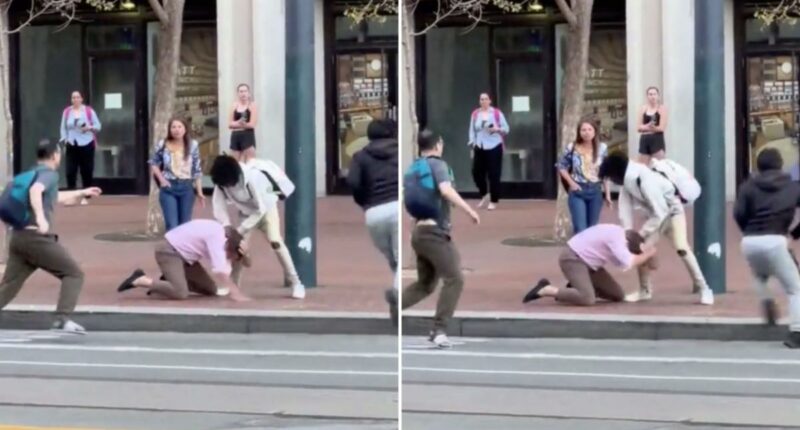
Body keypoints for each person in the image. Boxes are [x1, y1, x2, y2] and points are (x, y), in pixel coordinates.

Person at [0, 139, 102, 334]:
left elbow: (52, 197)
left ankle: (62, 319)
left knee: (9, 286)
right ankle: (62, 318)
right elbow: (36, 191)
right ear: (55, 155)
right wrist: (40, 219)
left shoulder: (30, 173)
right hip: (36, 239)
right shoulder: (49, 175)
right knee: (74, 273)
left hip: (19, 238)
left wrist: (81, 192)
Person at [598, 152, 714, 305]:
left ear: (616, 173)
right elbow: (624, 209)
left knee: (682, 248)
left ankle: (704, 288)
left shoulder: (645, 179)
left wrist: (641, 234)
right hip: (654, 217)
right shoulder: (628, 181)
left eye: (611, 178)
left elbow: (661, 213)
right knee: (639, 248)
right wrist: (628, 234)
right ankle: (644, 290)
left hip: (672, 213)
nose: (612, 181)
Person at [403, 130, 480, 348]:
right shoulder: (438, 165)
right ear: (438, 144)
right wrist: (470, 211)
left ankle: (393, 305)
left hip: (419, 232)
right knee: (455, 278)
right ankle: (439, 330)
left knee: (425, 284)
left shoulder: (413, 167)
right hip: (435, 233)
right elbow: (446, 190)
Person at [210, 155, 306, 300]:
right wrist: (227, 226)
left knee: (276, 242)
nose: (228, 187)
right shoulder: (221, 182)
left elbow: (260, 209)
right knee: (238, 247)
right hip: (246, 213)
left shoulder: (254, 177)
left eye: (229, 183)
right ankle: (233, 284)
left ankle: (296, 282)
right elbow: (218, 206)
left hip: (266, 211)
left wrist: (240, 230)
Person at [733, 148, 800, 348]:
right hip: (776, 239)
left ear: (759, 166)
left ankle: (766, 299)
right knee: (795, 288)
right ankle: (797, 332)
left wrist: (749, 231)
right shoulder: (792, 187)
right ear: (780, 165)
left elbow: (739, 213)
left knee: (760, 275)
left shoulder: (748, 186)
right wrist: (795, 233)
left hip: (750, 241)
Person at [117, 219, 250, 302]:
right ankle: (140, 279)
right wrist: (236, 293)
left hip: (187, 259)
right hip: (169, 252)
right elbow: (221, 271)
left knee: (210, 290)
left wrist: (247, 254)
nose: (230, 260)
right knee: (180, 293)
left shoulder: (225, 240)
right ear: (230, 248)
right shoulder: (217, 238)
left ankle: (167, 281)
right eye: (232, 257)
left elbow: (244, 264)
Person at [523, 225, 656, 306]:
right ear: (627, 244)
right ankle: (546, 289)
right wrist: (648, 254)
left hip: (591, 265)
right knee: (587, 299)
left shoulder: (620, 237)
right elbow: (629, 262)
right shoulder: (617, 239)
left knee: (618, 295)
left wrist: (646, 256)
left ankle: (576, 287)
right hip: (573, 258)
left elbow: (623, 265)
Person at [347, 118, 399, 325]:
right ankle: (396, 292)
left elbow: (353, 182)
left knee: (391, 257)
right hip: (397, 206)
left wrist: (365, 202)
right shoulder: (400, 151)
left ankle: (397, 293)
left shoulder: (360, 156)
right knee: (399, 257)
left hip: (374, 213)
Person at [556, 119, 611, 234]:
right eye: (583, 130)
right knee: (580, 228)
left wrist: (608, 194)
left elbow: (605, 173)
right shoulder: (572, 147)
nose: (586, 132)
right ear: (579, 132)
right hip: (578, 191)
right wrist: (571, 183)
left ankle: (588, 252)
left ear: (595, 131)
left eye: (589, 129)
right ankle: (578, 251)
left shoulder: (602, 148)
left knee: (592, 228)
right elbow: (561, 166)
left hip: (595, 190)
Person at [150, 117, 205, 232]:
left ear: (185, 129)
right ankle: (172, 249)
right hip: (169, 188)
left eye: (180, 127)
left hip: (186, 188)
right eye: (173, 127)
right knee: (172, 226)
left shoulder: (193, 145)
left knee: (185, 225)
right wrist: (161, 180)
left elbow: (197, 170)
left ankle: (182, 249)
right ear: (169, 129)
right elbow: (154, 163)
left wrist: (200, 192)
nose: (176, 130)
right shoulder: (163, 144)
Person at [468, 92, 509, 211]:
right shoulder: (475, 114)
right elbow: (472, 129)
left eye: (486, 99)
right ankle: (485, 193)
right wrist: (472, 141)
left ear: (490, 101)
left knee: (494, 174)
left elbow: (506, 129)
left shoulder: (496, 113)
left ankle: (494, 200)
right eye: (481, 99)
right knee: (476, 172)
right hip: (480, 146)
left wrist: (497, 129)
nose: (483, 101)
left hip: (494, 146)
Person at [60, 90, 102, 206]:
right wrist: (64, 139)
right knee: (70, 171)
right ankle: (71, 196)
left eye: (78, 97)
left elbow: (98, 126)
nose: (75, 100)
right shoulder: (67, 112)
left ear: (81, 99)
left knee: (86, 170)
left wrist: (89, 128)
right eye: (73, 97)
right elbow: (63, 127)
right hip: (72, 143)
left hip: (86, 143)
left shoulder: (88, 111)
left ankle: (86, 196)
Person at [637, 86, 668, 165]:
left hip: (656, 140)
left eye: (654, 94)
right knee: (643, 167)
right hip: (644, 140)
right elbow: (638, 127)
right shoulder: (643, 108)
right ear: (647, 96)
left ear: (658, 96)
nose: (652, 96)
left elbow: (661, 128)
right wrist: (647, 126)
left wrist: (652, 128)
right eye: (650, 94)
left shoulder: (662, 109)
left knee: (659, 166)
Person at [229, 83, 258, 162]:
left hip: (247, 136)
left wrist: (242, 124)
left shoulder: (252, 106)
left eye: (245, 91)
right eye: (241, 91)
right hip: (235, 136)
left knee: (250, 163)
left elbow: (252, 124)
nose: (243, 94)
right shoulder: (234, 105)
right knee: (235, 163)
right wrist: (239, 122)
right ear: (238, 93)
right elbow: (230, 124)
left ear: (248, 93)